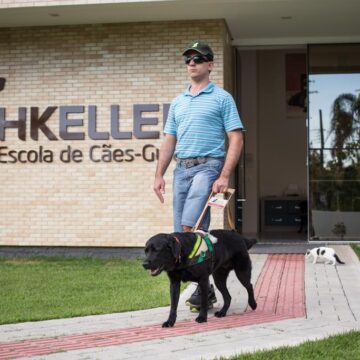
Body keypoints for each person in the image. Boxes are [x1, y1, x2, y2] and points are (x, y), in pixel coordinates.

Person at [153, 40, 244, 308]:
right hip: (181, 170)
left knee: (188, 226)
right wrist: (159, 174)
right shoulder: (178, 102)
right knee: (182, 234)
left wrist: (224, 175)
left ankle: (200, 286)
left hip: (208, 167)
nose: (191, 63)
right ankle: (205, 287)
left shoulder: (222, 98)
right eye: (188, 60)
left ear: (210, 64)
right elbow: (169, 140)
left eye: (198, 58)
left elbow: (236, 138)